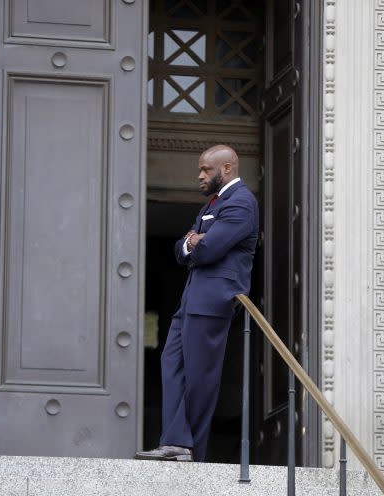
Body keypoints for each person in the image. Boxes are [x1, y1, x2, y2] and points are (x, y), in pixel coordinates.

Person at [135, 144, 259, 463]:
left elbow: (208, 250)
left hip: (212, 301)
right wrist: (192, 243)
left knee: (199, 375)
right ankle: (176, 441)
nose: (200, 175)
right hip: (190, 300)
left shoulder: (241, 202)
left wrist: (195, 243)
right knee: (172, 363)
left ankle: (190, 449)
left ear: (227, 168)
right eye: (200, 169)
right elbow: (182, 250)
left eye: (206, 169)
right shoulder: (214, 204)